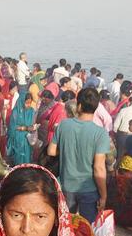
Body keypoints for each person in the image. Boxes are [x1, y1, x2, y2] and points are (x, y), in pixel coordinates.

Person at [47, 88, 109, 223]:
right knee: (87, 229)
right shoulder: (100, 133)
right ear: (96, 106)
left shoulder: (64, 125)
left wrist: (67, 149)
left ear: (79, 105)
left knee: (66, 225)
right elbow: (99, 168)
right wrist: (103, 196)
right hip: (89, 188)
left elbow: (51, 151)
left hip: (67, 185)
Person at [7, 92, 37, 166]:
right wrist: (24, 128)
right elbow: (12, 126)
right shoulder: (16, 111)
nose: (28, 105)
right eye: (27, 103)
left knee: (27, 156)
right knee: (19, 157)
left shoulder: (32, 111)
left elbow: (33, 123)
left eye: (30, 103)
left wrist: (33, 127)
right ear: (22, 101)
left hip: (28, 137)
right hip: (18, 137)